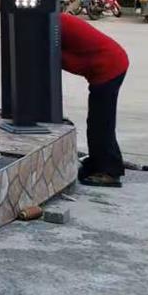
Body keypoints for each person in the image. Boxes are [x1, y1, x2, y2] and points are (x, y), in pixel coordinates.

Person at [60, 13, 129, 187]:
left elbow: (54, 56)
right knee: (98, 121)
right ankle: (98, 163)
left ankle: (109, 171)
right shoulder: (56, 21)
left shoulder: (54, 24)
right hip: (106, 65)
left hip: (108, 67)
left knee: (100, 122)